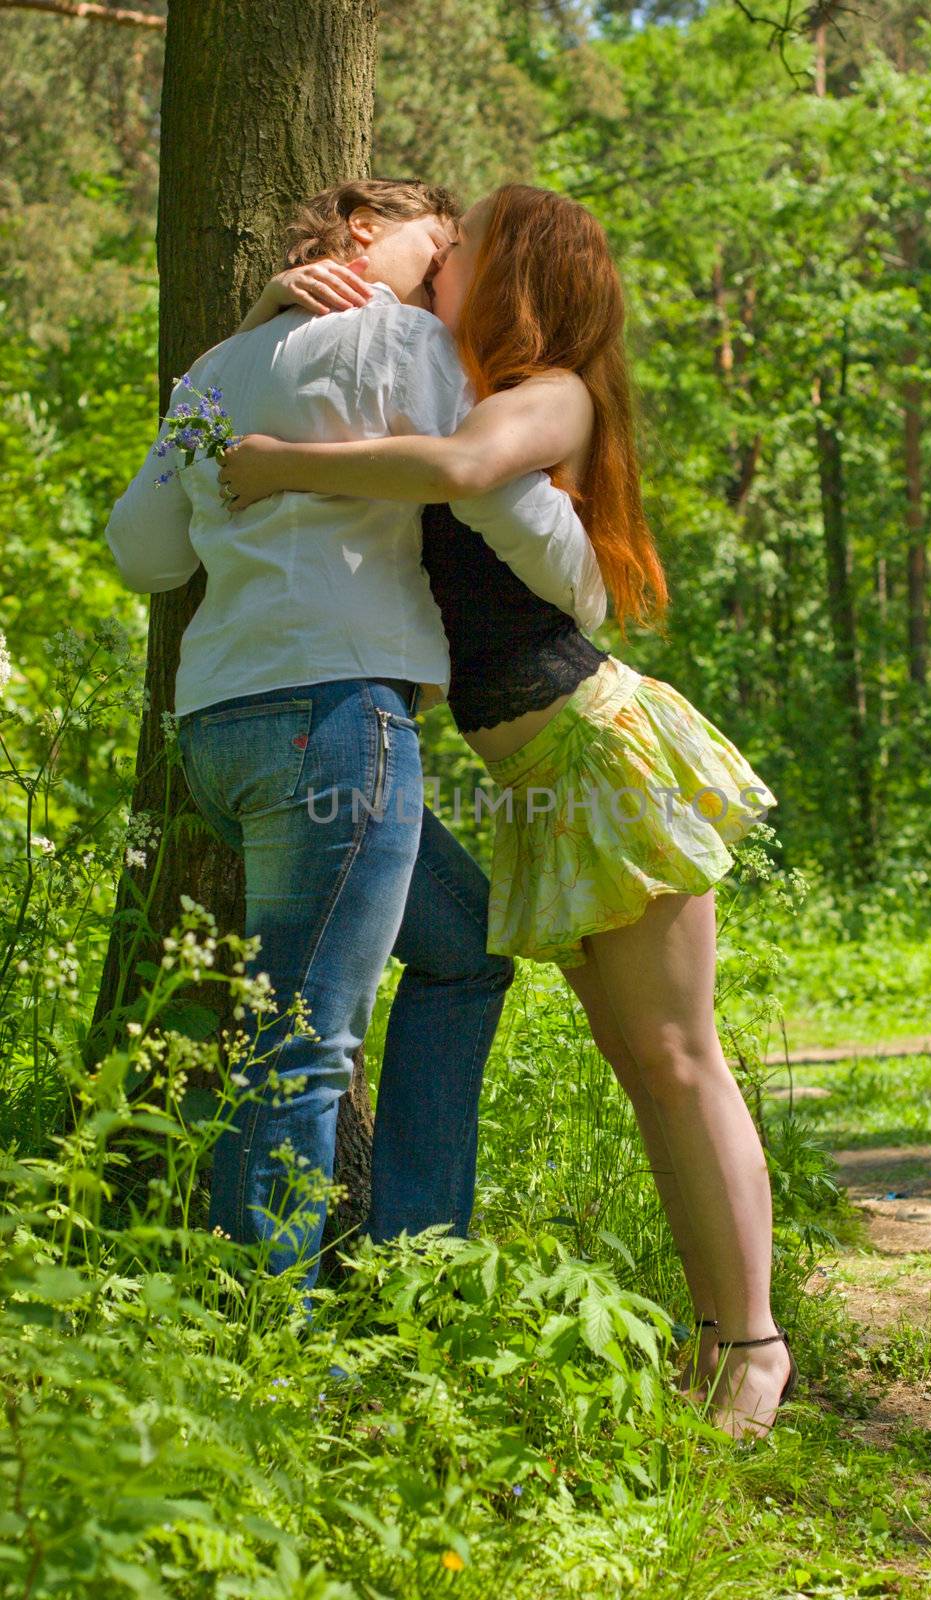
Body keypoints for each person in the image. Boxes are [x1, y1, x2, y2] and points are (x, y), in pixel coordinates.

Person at [217, 183, 797, 1437]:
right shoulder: (449, 375)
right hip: (544, 782)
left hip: (597, 752)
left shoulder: (555, 396)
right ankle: (720, 1334)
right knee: (647, 1063)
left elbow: (467, 468)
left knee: (675, 1059)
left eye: (463, 245)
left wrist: (271, 465)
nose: (442, 261)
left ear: (515, 270)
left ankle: (750, 1343)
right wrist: (273, 305)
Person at [104, 179, 609, 1326]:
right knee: (302, 1037)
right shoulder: (411, 342)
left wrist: (232, 373)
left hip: (220, 730)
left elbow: (144, 556)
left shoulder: (216, 372)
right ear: (363, 236)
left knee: (465, 946)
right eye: (437, 248)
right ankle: (265, 1336)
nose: (445, 276)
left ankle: (411, 1272)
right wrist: (590, 582)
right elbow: (500, 504)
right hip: (336, 722)